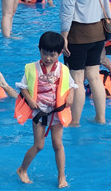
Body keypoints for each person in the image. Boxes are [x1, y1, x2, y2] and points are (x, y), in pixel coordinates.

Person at [58, 0, 110, 126]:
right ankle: (101, 118)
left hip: (78, 35)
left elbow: (67, 10)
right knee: (95, 77)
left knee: (77, 79)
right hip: (98, 32)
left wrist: (64, 36)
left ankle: (75, 122)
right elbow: (107, 3)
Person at [15, 31, 76, 189]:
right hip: (40, 112)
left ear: (60, 53)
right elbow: (23, 88)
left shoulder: (63, 70)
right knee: (39, 145)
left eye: (53, 55)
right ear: (39, 49)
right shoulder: (32, 68)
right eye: (44, 53)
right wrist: (30, 100)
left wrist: (70, 97)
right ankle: (22, 170)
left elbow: (71, 85)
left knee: (58, 144)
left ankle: (61, 176)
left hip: (57, 112)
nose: (48, 58)